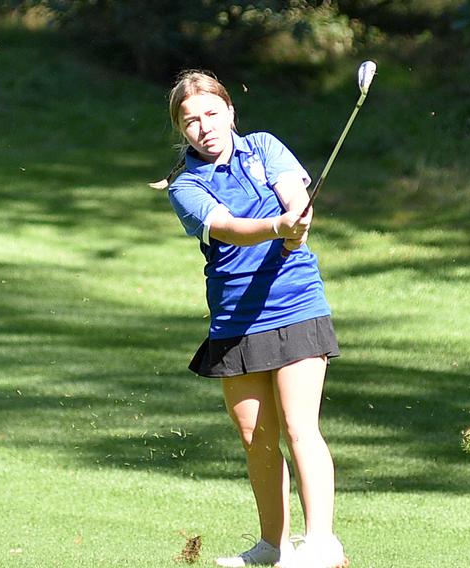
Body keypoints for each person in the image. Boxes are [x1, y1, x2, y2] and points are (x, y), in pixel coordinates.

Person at [160, 70, 347, 568]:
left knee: (299, 425)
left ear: (230, 112)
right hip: (234, 318)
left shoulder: (263, 147)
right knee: (254, 437)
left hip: (294, 304)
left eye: (212, 114)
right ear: (181, 129)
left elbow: (291, 192)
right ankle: (272, 545)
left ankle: (322, 544)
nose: (204, 127)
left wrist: (296, 217)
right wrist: (277, 226)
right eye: (191, 120)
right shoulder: (185, 186)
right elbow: (229, 229)